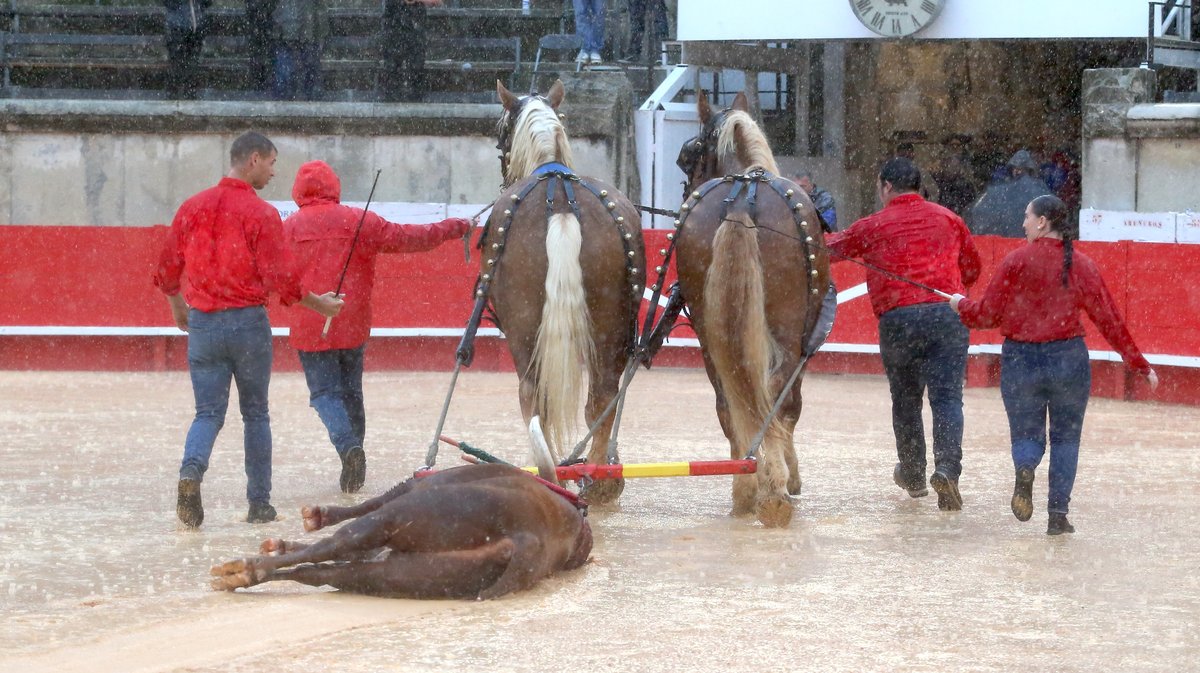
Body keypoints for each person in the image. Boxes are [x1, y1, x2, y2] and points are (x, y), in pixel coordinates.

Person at [153, 132, 344, 529]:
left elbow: (168, 268)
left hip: (203, 324)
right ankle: (259, 504)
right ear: (253, 160)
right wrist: (320, 304)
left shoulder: (192, 207)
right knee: (255, 414)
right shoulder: (261, 214)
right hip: (247, 325)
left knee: (207, 413)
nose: (274, 172)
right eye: (272, 163)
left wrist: (177, 307)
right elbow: (283, 281)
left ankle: (191, 472)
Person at [950, 195, 1158, 535]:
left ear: (1043, 222)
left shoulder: (1015, 260)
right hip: (1068, 359)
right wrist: (1139, 363)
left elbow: (986, 315)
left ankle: (1026, 467)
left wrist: (961, 306)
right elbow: (1109, 319)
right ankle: (1058, 515)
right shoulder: (1082, 264)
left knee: (1026, 434)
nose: (1023, 224)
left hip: (1020, 359)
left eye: (1027, 217)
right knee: (1066, 440)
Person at [283, 160, 472, 493]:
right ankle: (354, 451)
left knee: (325, 394)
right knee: (352, 393)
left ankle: (348, 449)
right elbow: (412, 238)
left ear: (298, 191)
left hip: (309, 324)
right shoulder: (359, 220)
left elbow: (270, 272)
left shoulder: (290, 228)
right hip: (353, 321)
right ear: (334, 187)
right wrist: (454, 227)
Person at [827, 157, 981, 511]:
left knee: (906, 401)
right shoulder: (948, 219)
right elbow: (972, 268)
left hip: (899, 321)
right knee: (947, 399)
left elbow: (829, 249)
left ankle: (913, 474)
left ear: (885, 187)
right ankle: (947, 470)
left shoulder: (873, 224)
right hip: (946, 316)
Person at [209, 462, 593, 599]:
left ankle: (289, 559)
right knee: (356, 572)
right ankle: (288, 565)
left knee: (367, 546)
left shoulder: (518, 483)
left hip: (477, 534)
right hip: (497, 556)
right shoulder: (543, 517)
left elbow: (418, 486)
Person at [966, 149, 1053, 238]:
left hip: (1003, 243)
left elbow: (978, 214)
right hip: (1031, 242)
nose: (1017, 172)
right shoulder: (1041, 191)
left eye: (1020, 169)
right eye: (1015, 168)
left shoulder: (997, 192)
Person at [380, 0, 442, 102]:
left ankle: (414, 98)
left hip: (414, 14)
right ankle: (393, 97)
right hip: (396, 15)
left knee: (416, 63)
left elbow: (437, 2)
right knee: (393, 63)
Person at [272, 0, 328, 100]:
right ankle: (295, 95)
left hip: (301, 36)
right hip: (296, 36)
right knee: (291, 73)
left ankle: (297, 95)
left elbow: (320, 14)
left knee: (303, 69)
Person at [163, 0, 211, 99]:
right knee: (177, 66)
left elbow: (207, 2)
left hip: (196, 28)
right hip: (177, 27)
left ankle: (189, 95)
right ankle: (174, 97)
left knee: (192, 66)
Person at [245, 0, 277, 93]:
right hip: (259, 26)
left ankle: (262, 80)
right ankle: (259, 81)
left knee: (263, 55)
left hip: (264, 27)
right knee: (258, 56)